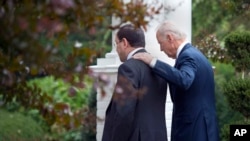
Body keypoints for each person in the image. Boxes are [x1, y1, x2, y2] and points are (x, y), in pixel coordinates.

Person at [133, 21, 219, 141]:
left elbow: (184, 80)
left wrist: (153, 62)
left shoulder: (188, 56)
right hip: (202, 128)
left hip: (193, 130)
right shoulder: (196, 54)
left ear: (170, 38)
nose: (161, 49)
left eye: (161, 43)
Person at [102, 24, 168, 141]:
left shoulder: (128, 68)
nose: (116, 49)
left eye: (116, 44)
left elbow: (124, 112)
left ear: (124, 43)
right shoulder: (159, 67)